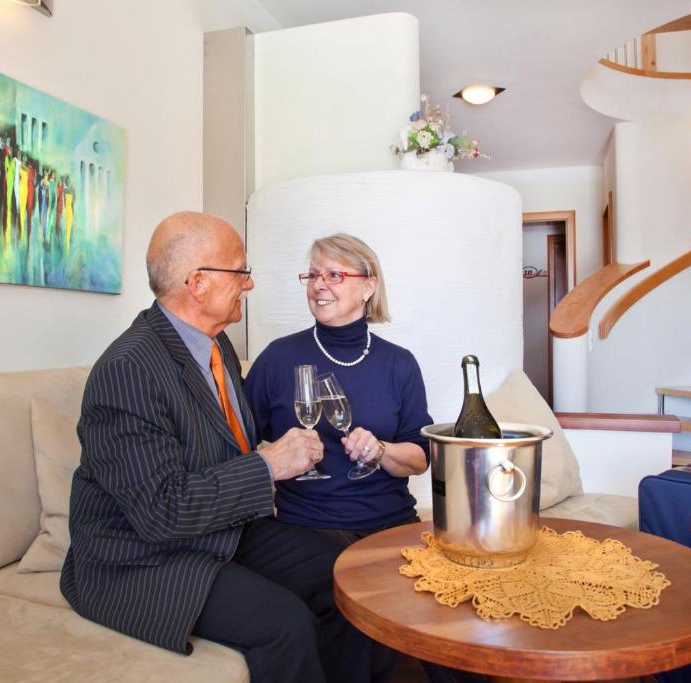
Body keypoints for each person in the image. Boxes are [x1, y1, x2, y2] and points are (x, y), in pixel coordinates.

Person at [61, 211, 361, 683]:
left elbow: (224, 446)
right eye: (240, 271)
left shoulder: (215, 347)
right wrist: (267, 465)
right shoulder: (128, 369)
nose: (249, 283)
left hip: (219, 529)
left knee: (343, 576)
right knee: (286, 624)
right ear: (198, 283)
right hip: (141, 560)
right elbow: (162, 512)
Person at [243, 233, 432, 679]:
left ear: (368, 286)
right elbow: (238, 442)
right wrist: (278, 455)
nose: (318, 285)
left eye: (334, 275)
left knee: (441, 602)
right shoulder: (278, 358)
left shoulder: (399, 364)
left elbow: (421, 457)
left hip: (390, 522)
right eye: (312, 275)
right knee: (356, 595)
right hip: (310, 524)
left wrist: (382, 450)